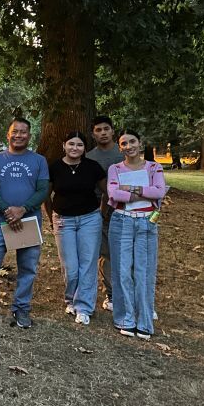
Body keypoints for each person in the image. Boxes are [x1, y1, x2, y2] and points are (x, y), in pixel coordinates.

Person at [0, 117, 49, 329]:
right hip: (1, 222)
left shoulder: (39, 160)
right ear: (8, 134)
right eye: (15, 131)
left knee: (28, 268)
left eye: (24, 132)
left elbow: (43, 190)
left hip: (29, 221)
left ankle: (21, 309)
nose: (19, 135)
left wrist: (22, 210)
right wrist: (8, 211)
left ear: (29, 136)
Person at [107, 130, 167, 340]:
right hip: (121, 220)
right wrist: (145, 190)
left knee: (144, 271)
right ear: (120, 147)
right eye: (124, 143)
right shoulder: (115, 169)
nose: (129, 146)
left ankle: (144, 321)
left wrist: (130, 188)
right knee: (122, 271)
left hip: (146, 222)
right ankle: (125, 319)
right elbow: (114, 194)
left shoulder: (153, 167)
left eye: (132, 141)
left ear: (140, 143)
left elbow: (159, 192)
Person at [44, 131, 106, 326]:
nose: (74, 148)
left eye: (79, 145)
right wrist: (51, 218)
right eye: (71, 144)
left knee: (87, 264)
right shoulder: (54, 167)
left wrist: (101, 213)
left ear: (84, 148)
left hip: (90, 219)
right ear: (64, 145)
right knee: (70, 266)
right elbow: (46, 196)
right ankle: (70, 298)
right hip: (63, 220)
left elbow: (107, 193)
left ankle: (84, 307)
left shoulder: (93, 167)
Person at [85, 116, 124, 312]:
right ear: (93, 134)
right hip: (99, 213)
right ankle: (111, 295)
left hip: (124, 212)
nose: (102, 133)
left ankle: (127, 292)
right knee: (105, 255)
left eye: (106, 129)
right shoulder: (89, 158)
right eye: (98, 130)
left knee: (124, 255)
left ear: (112, 131)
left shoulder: (123, 154)